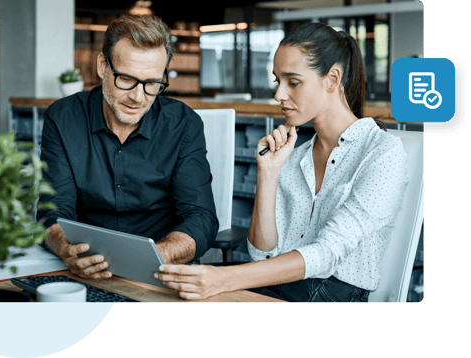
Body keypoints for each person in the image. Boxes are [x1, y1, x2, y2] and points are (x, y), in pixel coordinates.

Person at [155, 22, 408, 302]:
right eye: (278, 81)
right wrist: (269, 173)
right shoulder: (295, 156)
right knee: (172, 289)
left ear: (333, 79)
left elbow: (326, 253)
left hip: (334, 296)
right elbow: (262, 254)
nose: (278, 95)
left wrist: (224, 279)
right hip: (282, 286)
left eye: (293, 82)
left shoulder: (383, 152)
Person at [37, 15, 219, 280]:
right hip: (85, 268)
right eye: (126, 79)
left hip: (161, 270)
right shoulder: (62, 118)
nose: (137, 97)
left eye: (152, 83)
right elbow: (53, 209)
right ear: (102, 66)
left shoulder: (184, 124)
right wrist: (67, 248)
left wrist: (157, 255)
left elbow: (200, 217)